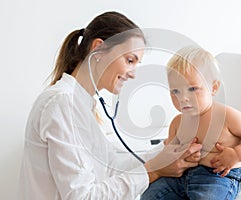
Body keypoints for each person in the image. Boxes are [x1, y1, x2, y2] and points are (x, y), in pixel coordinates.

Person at [18, 12, 202, 200]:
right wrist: (153, 172)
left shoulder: (80, 105)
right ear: (98, 49)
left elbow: (111, 167)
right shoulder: (62, 103)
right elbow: (83, 196)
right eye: (130, 60)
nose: (133, 74)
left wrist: (166, 150)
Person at [141, 46, 241, 200]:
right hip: (181, 176)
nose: (184, 98)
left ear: (213, 88)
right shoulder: (177, 123)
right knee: (150, 194)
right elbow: (170, 153)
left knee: (206, 197)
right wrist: (177, 154)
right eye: (175, 91)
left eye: (192, 89)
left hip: (218, 177)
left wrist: (237, 153)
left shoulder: (226, 116)